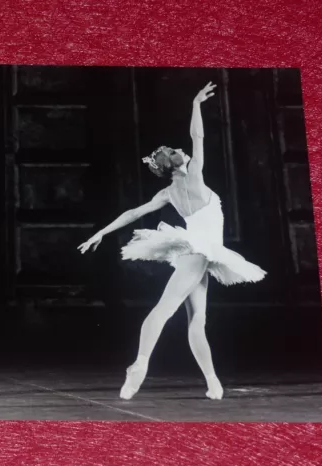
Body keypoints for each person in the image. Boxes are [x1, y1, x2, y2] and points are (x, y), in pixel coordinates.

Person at [78, 82, 266, 400]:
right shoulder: (193, 176)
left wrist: (102, 232)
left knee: (197, 320)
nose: (184, 150)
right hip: (197, 251)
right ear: (177, 162)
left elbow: (134, 213)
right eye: (178, 152)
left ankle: (212, 381)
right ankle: (139, 366)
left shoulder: (167, 192)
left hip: (200, 252)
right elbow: (199, 136)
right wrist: (195, 104)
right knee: (165, 309)